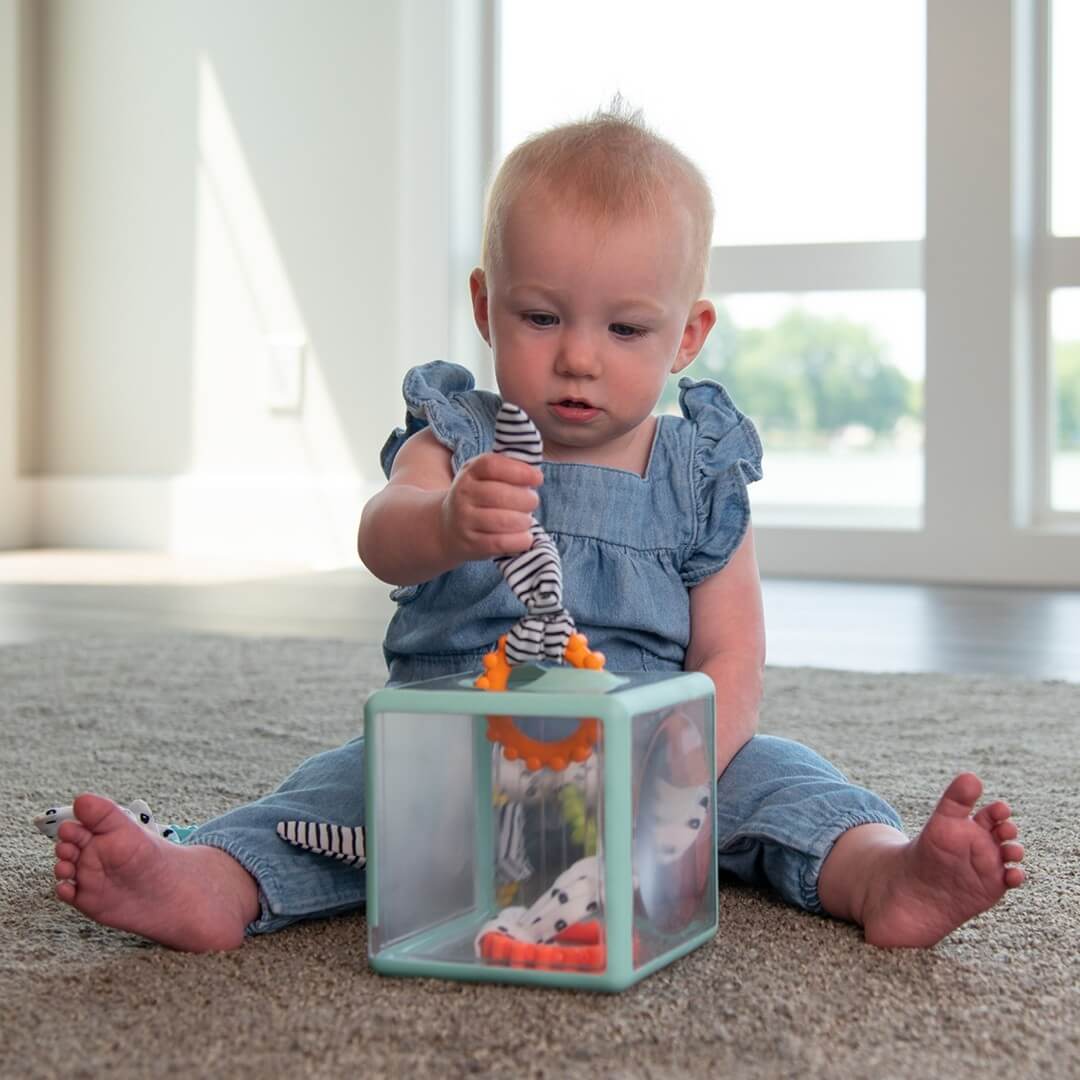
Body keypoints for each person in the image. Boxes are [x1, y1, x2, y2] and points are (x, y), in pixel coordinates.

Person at [50, 103, 1024, 954]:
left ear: (687, 336)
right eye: (543, 316)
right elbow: (381, 535)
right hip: (461, 741)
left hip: (649, 756)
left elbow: (735, 663)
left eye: (626, 330)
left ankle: (886, 875)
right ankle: (215, 882)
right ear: (486, 306)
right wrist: (444, 518)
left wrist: (668, 777)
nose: (579, 361)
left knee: (785, 785)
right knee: (339, 797)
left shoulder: (701, 470)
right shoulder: (460, 434)